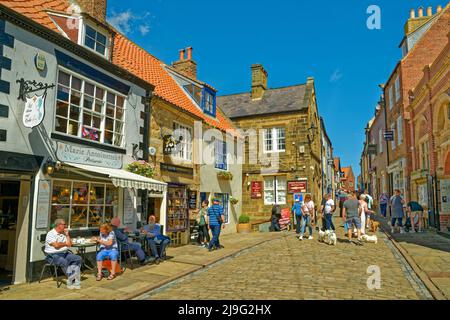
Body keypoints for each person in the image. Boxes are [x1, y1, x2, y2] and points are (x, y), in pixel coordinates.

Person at [44, 219, 82, 289]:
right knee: (63, 261)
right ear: (58, 225)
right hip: (52, 256)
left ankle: (72, 275)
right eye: (64, 224)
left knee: (78, 258)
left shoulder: (63, 234)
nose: (65, 226)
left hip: (65, 253)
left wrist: (67, 235)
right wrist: (65, 244)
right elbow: (56, 245)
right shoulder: (50, 234)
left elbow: (70, 244)